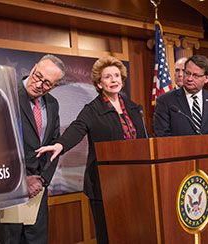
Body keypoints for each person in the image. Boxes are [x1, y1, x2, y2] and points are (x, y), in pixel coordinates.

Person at [36, 56, 146, 244]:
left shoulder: (134, 108)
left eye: (117, 76)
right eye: (108, 77)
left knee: (134, 232)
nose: (114, 80)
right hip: (104, 183)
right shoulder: (92, 109)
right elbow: (77, 129)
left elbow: (144, 141)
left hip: (134, 180)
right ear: (99, 83)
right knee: (108, 235)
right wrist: (60, 145)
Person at [2, 54, 66, 244]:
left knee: (37, 240)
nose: (39, 84)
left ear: (53, 86)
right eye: (38, 76)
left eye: (47, 83)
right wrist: (23, 181)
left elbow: (55, 144)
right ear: (33, 69)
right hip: (10, 188)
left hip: (38, 189)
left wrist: (42, 180)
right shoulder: (7, 93)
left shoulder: (53, 104)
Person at [153, 54, 208, 136]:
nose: (189, 79)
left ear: (207, 78)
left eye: (195, 75)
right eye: (187, 73)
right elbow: (162, 135)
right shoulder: (165, 101)